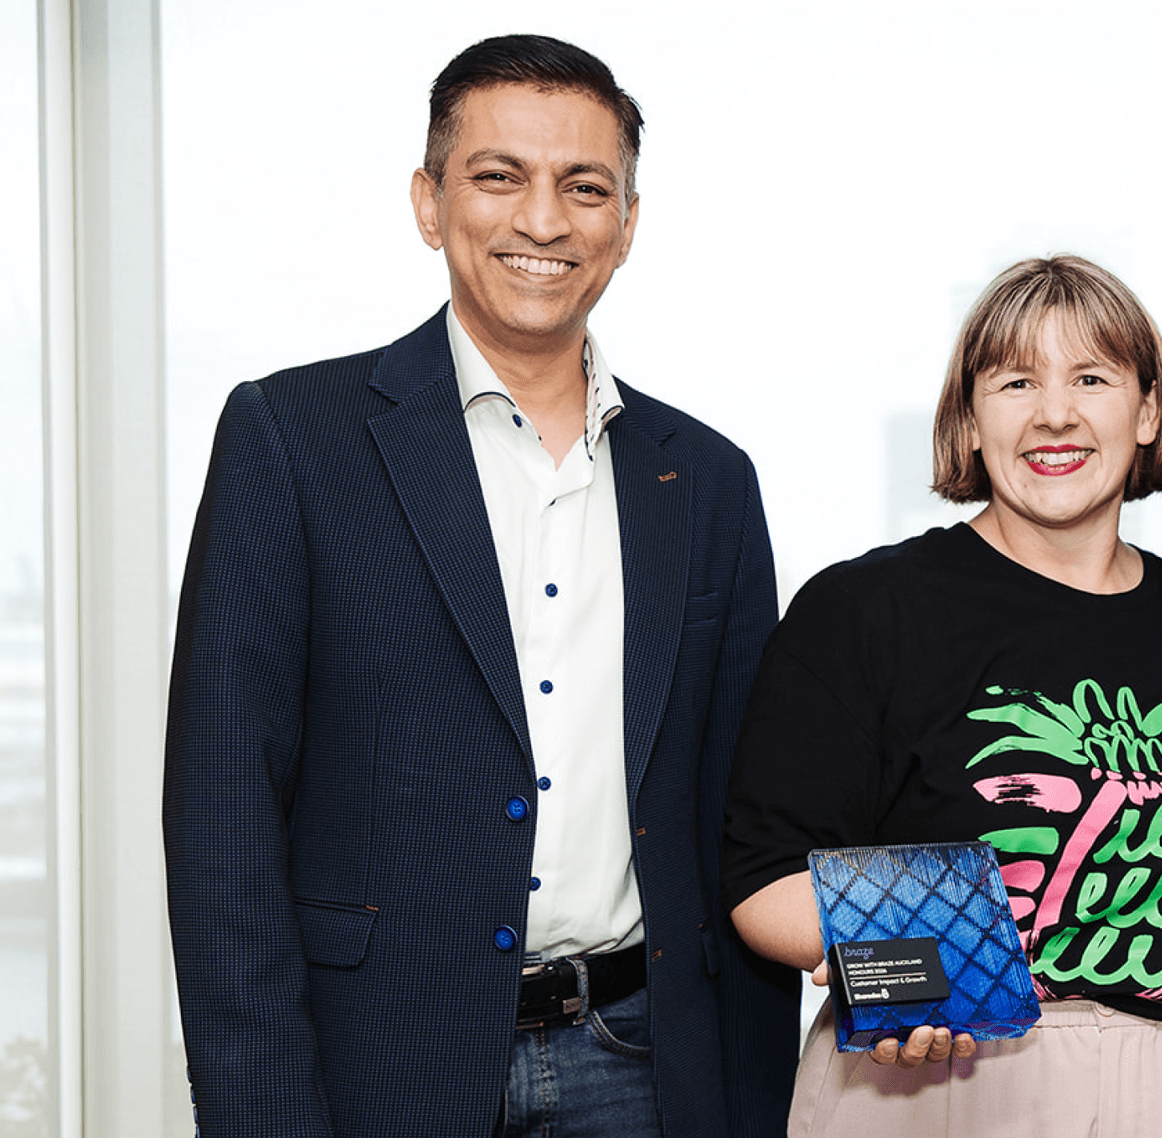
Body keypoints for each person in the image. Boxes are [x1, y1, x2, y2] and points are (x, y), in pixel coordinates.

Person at [162, 34, 796, 1138]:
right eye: (499, 176)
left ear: (627, 223)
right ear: (429, 201)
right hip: (379, 1063)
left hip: (643, 1067)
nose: (543, 220)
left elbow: (740, 818)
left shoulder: (708, 480)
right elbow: (224, 818)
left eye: (584, 187)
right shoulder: (291, 439)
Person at [722, 255, 1162, 1137]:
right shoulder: (866, 611)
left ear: (1149, 412)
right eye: (1016, 381)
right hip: (950, 1078)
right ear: (969, 418)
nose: (1054, 414)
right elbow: (763, 881)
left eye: (1092, 378)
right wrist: (914, 975)